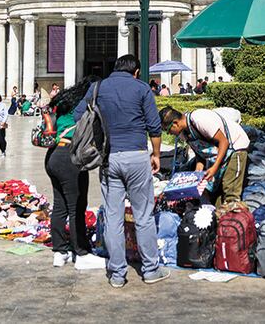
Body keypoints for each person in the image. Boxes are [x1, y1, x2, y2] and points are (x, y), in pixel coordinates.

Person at [74, 53, 168, 288]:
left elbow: (78, 116)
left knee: (113, 218)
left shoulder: (97, 88)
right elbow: (154, 127)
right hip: (136, 156)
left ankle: (117, 274)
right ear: (135, 71)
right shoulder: (142, 88)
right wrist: (155, 154)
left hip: (108, 158)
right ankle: (150, 269)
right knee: (143, 215)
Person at [43, 75, 105, 270]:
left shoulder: (64, 101)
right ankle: (82, 253)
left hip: (53, 156)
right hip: (70, 156)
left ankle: (60, 251)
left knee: (60, 205)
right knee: (77, 206)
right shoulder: (86, 103)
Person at [160, 106, 250, 205]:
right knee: (214, 195)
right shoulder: (183, 133)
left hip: (235, 147)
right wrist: (198, 172)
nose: (169, 134)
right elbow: (200, 153)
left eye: (167, 130)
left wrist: (215, 167)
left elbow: (224, 142)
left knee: (230, 190)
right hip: (218, 155)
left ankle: (234, 215)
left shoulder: (200, 119)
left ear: (175, 123)